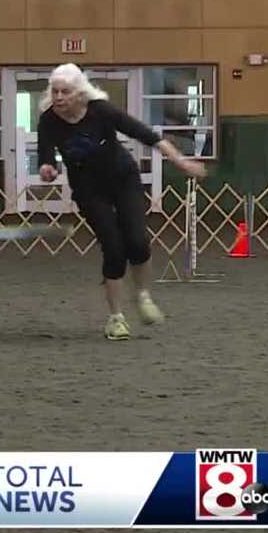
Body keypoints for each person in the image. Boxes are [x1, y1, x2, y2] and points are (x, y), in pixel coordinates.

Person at [37, 63, 206, 341]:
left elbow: (147, 136)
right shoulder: (48, 121)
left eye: (64, 92)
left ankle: (142, 296)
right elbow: (46, 157)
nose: (58, 97)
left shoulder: (101, 111)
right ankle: (116, 318)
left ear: (79, 93)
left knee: (137, 242)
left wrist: (181, 161)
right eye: (54, 91)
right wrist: (47, 170)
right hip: (89, 190)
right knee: (114, 249)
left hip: (123, 178)